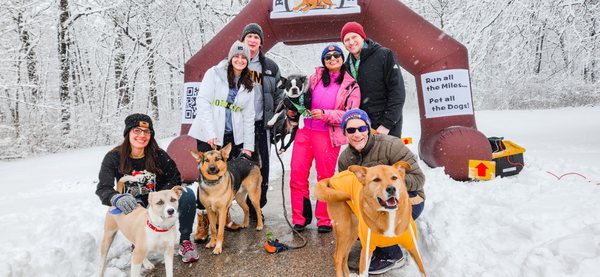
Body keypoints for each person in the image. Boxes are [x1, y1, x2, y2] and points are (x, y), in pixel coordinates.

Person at [96, 113, 199, 263]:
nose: (142, 135)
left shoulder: (158, 155)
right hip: (133, 204)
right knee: (133, 204)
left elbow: (175, 177)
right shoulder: (113, 157)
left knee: (188, 194)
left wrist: (162, 195)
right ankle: (137, 241)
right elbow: (103, 187)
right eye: (136, 130)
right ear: (128, 133)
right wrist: (115, 197)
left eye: (146, 132)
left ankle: (185, 241)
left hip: (158, 202)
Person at [337, 109, 426, 275]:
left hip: (410, 200)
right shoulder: (345, 159)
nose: (357, 134)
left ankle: (392, 255)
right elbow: (345, 189)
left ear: (368, 128)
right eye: (351, 130)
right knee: (353, 220)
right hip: (371, 203)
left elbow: (419, 179)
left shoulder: (391, 145)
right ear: (344, 133)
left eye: (362, 129)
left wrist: (392, 183)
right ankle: (377, 243)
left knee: (382, 217)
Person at [187, 41, 256, 237]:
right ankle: (203, 222)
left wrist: (248, 146)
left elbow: (249, 116)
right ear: (230, 56)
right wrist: (210, 133)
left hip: (230, 136)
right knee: (206, 178)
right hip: (208, 134)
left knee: (226, 179)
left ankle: (224, 217)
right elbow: (203, 102)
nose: (240, 60)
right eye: (237, 56)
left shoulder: (248, 83)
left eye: (244, 58)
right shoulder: (214, 73)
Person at [289, 44, 360, 233]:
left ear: (342, 58)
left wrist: (325, 114)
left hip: (327, 135)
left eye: (336, 55)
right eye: (327, 57)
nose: (332, 59)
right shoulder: (314, 78)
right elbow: (299, 98)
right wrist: (292, 108)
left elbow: (350, 114)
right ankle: (300, 218)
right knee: (297, 175)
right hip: (305, 133)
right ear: (323, 61)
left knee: (325, 178)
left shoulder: (351, 85)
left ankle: (324, 219)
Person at [240, 23, 284, 221]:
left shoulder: (270, 67)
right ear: (242, 40)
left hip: (261, 124)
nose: (252, 40)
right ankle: (232, 207)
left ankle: (257, 206)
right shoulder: (234, 62)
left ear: (261, 42)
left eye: (256, 37)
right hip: (238, 125)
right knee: (237, 166)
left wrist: (277, 121)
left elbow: (279, 95)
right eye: (248, 36)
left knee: (262, 167)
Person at [340, 21, 406, 137]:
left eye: (354, 37)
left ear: (362, 37)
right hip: (361, 127)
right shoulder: (346, 66)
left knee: (388, 155)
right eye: (346, 40)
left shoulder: (384, 55)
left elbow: (397, 91)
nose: (351, 42)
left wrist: (387, 124)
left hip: (386, 126)